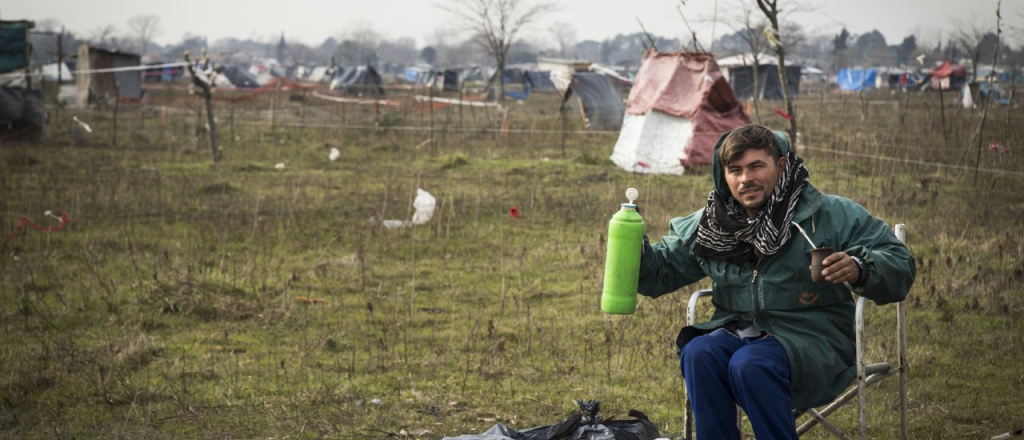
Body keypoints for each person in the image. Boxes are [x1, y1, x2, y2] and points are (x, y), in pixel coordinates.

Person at [636, 124, 915, 440]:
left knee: (750, 363)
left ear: (781, 166)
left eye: (757, 166)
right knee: (699, 353)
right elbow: (658, 274)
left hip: (815, 339)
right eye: (735, 170)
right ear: (723, 175)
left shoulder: (829, 215)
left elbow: (900, 263)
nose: (746, 179)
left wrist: (859, 267)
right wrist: (633, 249)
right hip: (741, 329)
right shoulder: (712, 225)